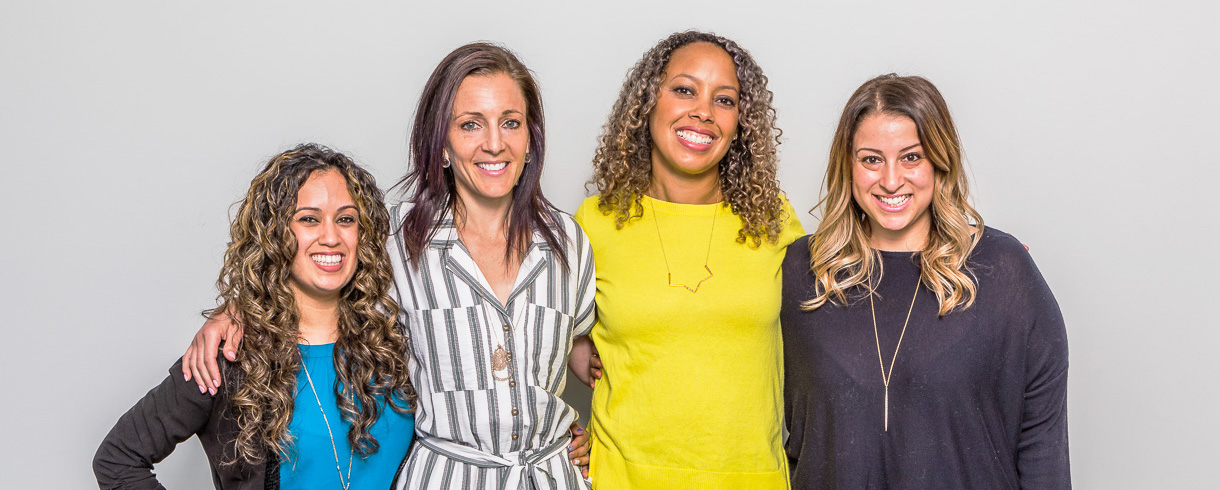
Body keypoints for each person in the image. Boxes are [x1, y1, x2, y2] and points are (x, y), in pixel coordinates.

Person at [182, 43, 595, 489]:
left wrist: (598, 432)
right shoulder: (392, 240)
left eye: (510, 123)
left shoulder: (568, 242)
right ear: (441, 147)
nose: (494, 143)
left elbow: (585, 348)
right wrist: (233, 312)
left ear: (530, 139)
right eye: (470, 124)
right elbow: (309, 269)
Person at [781, 74, 1070, 489]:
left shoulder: (1003, 271)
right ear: (848, 165)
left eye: (912, 157)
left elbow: (1043, 443)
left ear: (940, 161)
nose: (892, 180)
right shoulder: (801, 272)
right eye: (871, 159)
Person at [94, 144, 417, 489]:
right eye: (308, 219)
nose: (331, 237)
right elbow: (118, 459)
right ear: (274, 234)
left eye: (346, 219)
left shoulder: (398, 343)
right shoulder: (229, 358)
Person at [571, 31, 803, 489]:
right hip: (622, 477)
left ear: (742, 122)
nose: (703, 111)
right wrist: (575, 350)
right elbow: (526, 326)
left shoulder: (774, 219)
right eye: (684, 89)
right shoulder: (595, 220)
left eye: (725, 99)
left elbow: (829, 337)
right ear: (647, 102)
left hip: (751, 478)